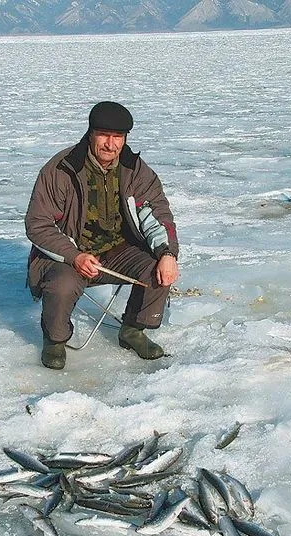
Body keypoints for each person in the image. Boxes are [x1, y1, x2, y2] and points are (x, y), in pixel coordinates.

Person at [25, 101, 179, 370]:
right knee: (62, 285)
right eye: (104, 135)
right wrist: (74, 256)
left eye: (118, 137)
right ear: (91, 133)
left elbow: (157, 215)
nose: (111, 144)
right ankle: (55, 339)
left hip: (116, 252)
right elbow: (38, 224)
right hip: (68, 257)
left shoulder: (135, 170)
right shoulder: (61, 169)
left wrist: (167, 253)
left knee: (160, 269)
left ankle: (132, 329)